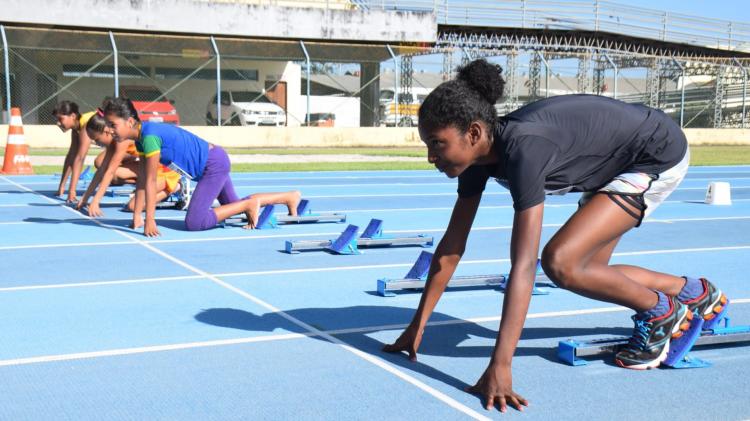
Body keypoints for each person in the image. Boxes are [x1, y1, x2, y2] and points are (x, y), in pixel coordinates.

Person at [383, 59, 729, 412]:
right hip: (614, 161)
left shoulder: (524, 151)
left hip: (654, 153)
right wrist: (417, 325)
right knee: (587, 271)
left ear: (473, 134)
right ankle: (694, 293)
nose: (430, 156)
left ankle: (661, 312)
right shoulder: (476, 160)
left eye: (437, 144)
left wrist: (500, 365)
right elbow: (451, 247)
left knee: (560, 262)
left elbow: (523, 266)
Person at [103, 97, 301, 236]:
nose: (109, 130)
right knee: (232, 206)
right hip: (214, 161)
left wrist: (150, 220)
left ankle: (248, 205)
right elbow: (143, 181)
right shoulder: (142, 139)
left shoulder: (150, 137)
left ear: (129, 122)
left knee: (195, 223)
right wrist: (138, 215)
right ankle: (289, 197)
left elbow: (151, 180)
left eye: (113, 125)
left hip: (213, 165)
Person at [76, 109, 182, 217]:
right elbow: (102, 170)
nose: (97, 143)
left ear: (107, 132)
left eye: (97, 139)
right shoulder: (113, 141)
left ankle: (173, 187)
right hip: (149, 168)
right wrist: (85, 198)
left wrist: (95, 202)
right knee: (107, 168)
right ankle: (147, 185)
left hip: (165, 171)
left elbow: (110, 172)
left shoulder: (121, 140)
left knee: (132, 206)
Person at [52, 101, 96, 203]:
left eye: (60, 119)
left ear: (72, 116)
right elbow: (71, 156)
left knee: (100, 163)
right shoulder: (76, 128)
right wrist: (61, 186)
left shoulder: (86, 124)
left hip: (130, 148)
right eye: (56, 119)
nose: (58, 123)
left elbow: (80, 158)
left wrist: (72, 191)